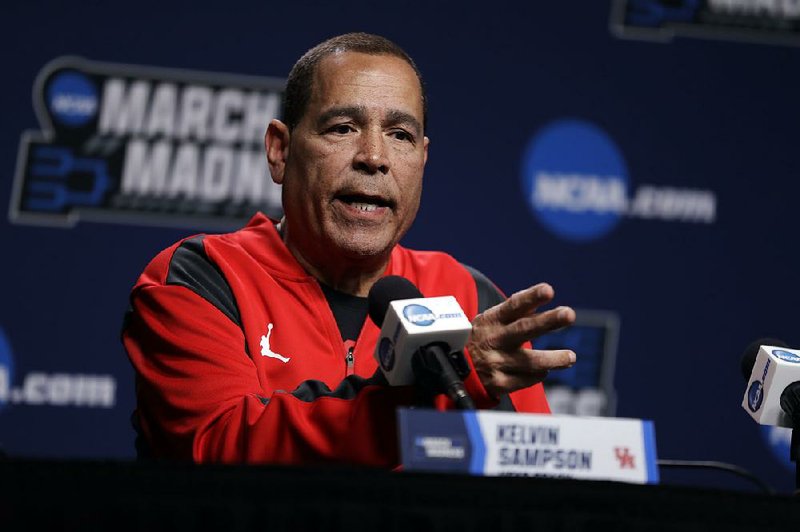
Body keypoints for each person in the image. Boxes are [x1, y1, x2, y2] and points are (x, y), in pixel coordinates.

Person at [122, 32, 576, 466]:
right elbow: (219, 449)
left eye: (400, 135)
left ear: (422, 159)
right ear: (280, 151)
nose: (374, 156)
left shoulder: (468, 295)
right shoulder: (202, 277)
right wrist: (425, 393)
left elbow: (533, 483)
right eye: (342, 128)